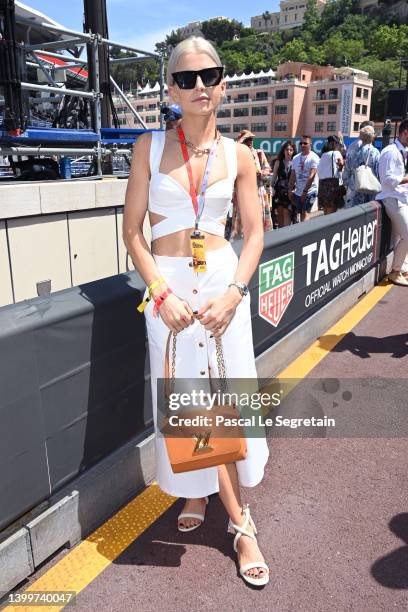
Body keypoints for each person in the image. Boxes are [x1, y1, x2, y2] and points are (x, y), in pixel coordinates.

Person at [123, 36, 270, 586]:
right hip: (169, 290)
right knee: (188, 401)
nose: (200, 86)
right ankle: (204, 495)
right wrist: (160, 293)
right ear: (172, 90)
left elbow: (254, 234)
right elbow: (132, 233)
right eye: (187, 78)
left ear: (223, 83)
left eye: (209, 75)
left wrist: (234, 293)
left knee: (223, 400)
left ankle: (239, 520)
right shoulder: (147, 147)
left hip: (223, 287)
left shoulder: (240, 155)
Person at [377, 118, 408, 287]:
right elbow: (387, 179)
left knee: (401, 237)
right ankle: (395, 272)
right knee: (407, 235)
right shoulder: (391, 151)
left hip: (401, 199)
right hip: (392, 199)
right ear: (405, 132)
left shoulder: (401, 150)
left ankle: (401, 269)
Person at [231, 130, 273, 238]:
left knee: (258, 223)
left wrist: (262, 173)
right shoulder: (236, 155)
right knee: (242, 226)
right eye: (247, 139)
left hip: (258, 192)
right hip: (242, 194)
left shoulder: (258, 153)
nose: (250, 141)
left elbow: (268, 169)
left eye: (251, 139)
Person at [343, 124, 380, 208]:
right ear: (372, 137)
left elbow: (346, 170)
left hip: (353, 189)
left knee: (352, 216)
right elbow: (378, 173)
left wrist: (346, 183)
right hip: (369, 189)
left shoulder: (352, 151)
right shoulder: (375, 152)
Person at [288, 135, 319, 222]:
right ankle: (304, 231)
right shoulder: (295, 158)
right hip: (298, 191)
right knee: (301, 213)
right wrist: (290, 189)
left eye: (305, 143)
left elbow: (311, 175)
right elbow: (293, 175)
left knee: (305, 213)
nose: (302, 145)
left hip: (310, 190)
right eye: (301, 143)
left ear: (310, 144)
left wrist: (305, 191)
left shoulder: (314, 157)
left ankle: (306, 233)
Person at [317, 135, 345, 215]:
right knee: (331, 213)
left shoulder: (323, 155)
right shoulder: (336, 153)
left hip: (322, 185)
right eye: (337, 143)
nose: (338, 145)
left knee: (326, 211)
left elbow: (319, 171)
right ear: (334, 144)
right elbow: (341, 169)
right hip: (333, 184)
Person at [271, 140, 297, 227]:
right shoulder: (278, 162)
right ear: (283, 150)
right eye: (286, 150)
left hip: (290, 191)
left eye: (291, 150)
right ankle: (280, 236)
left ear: (293, 151)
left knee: (287, 213)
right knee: (280, 213)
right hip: (279, 191)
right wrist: (270, 188)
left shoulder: (295, 161)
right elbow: (274, 177)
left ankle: (287, 235)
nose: (288, 152)